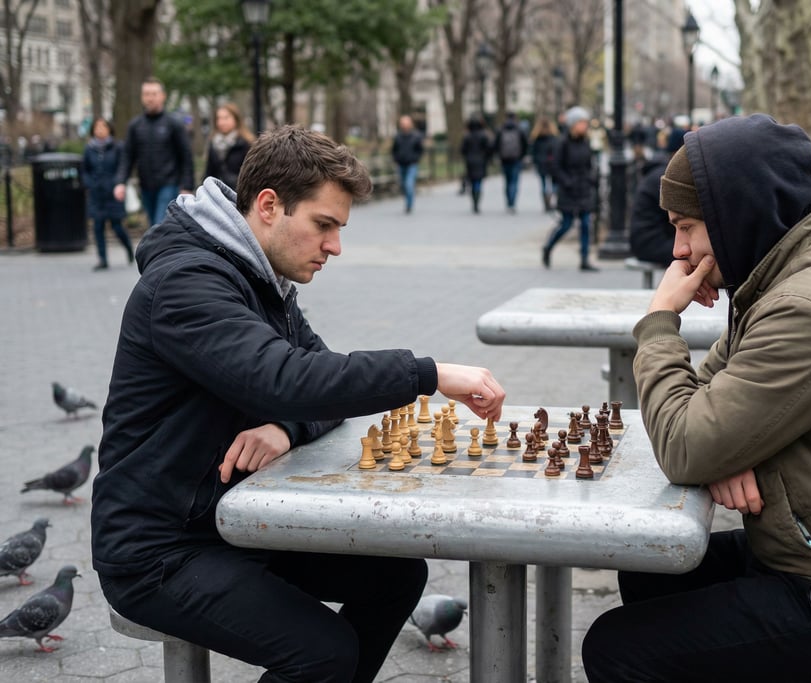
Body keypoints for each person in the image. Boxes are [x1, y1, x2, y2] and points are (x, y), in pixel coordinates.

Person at [91, 125, 506, 683]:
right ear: (269, 206)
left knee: (398, 577)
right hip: (158, 548)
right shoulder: (187, 283)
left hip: (229, 522)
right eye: (324, 225)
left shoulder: (262, 281)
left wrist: (286, 426)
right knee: (322, 651)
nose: (334, 246)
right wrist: (426, 373)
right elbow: (287, 377)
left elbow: (318, 383)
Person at [581, 114, 811, 681]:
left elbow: (687, 444)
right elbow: (706, 411)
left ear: (737, 215)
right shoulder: (784, 266)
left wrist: (660, 321)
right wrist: (729, 449)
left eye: (686, 226)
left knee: (616, 649)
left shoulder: (805, 306)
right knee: (650, 568)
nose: (679, 252)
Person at [113, 77, 195, 228]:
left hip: (169, 184)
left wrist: (187, 186)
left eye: (154, 94)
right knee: (153, 226)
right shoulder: (136, 126)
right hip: (146, 185)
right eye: (146, 94)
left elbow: (186, 156)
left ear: (162, 96)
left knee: (159, 224)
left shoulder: (174, 124)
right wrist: (120, 182)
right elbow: (127, 156)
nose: (150, 98)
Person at [541, 106, 598, 271]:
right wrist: (567, 182)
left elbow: (589, 164)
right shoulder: (562, 143)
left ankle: (584, 259)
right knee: (566, 224)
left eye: (585, 123)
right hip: (569, 190)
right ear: (573, 124)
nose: (584, 126)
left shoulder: (586, 142)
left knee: (586, 224)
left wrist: (591, 179)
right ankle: (548, 247)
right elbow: (556, 166)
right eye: (581, 122)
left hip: (584, 188)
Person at [627, 125, 686, 265]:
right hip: (650, 242)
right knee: (695, 253)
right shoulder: (667, 177)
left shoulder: (663, 172)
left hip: (647, 239)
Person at [82, 117, 133, 271]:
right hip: (96, 194)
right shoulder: (89, 149)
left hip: (113, 193)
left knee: (117, 226)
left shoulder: (117, 147)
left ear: (110, 129)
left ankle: (129, 248)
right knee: (98, 226)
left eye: (103, 126)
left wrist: (118, 183)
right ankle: (102, 259)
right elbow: (85, 169)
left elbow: (122, 167)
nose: (100, 129)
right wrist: (89, 183)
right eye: (97, 127)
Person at [203, 102, 255, 190]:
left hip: (239, 193)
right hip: (217, 192)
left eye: (226, 118)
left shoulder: (246, 143)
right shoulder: (214, 143)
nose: (221, 122)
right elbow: (209, 172)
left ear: (236, 119)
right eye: (218, 118)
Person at [493, 112, 528, 213]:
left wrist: (498, 156)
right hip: (516, 159)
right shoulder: (519, 129)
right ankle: (512, 203)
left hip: (504, 159)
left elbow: (496, 144)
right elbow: (525, 144)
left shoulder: (501, 129)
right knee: (514, 181)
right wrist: (522, 156)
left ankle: (508, 202)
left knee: (507, 181)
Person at [390, 114, 424, 214]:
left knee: (409, 184)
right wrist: (396, 159)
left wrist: (416, 158)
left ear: (410, 124)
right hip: (401, 164)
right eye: (402, 124)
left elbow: (420, 150)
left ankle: (409, 205)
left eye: (406, 123)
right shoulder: (398, 137)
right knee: (403, 185)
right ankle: (407, 201)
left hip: (412, 164)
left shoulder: (416, 136)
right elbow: (394, 150)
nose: (404, 126)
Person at [460, 115, 492, 213]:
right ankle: (476, 203)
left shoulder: (467, 136)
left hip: (470, 161)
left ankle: (474, 202)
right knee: (478, 182)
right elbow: (489, 149)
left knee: (473, 182)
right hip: (481, 161)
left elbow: (462, 150)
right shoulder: (484, 135)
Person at [529, 116, 559, 212]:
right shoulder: (554, 137)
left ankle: (547, 202)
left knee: (544, 184)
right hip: (552, 163)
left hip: (541, 163)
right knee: (554, 183)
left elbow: (532, 151)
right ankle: (552, 199)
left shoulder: (536, 137)